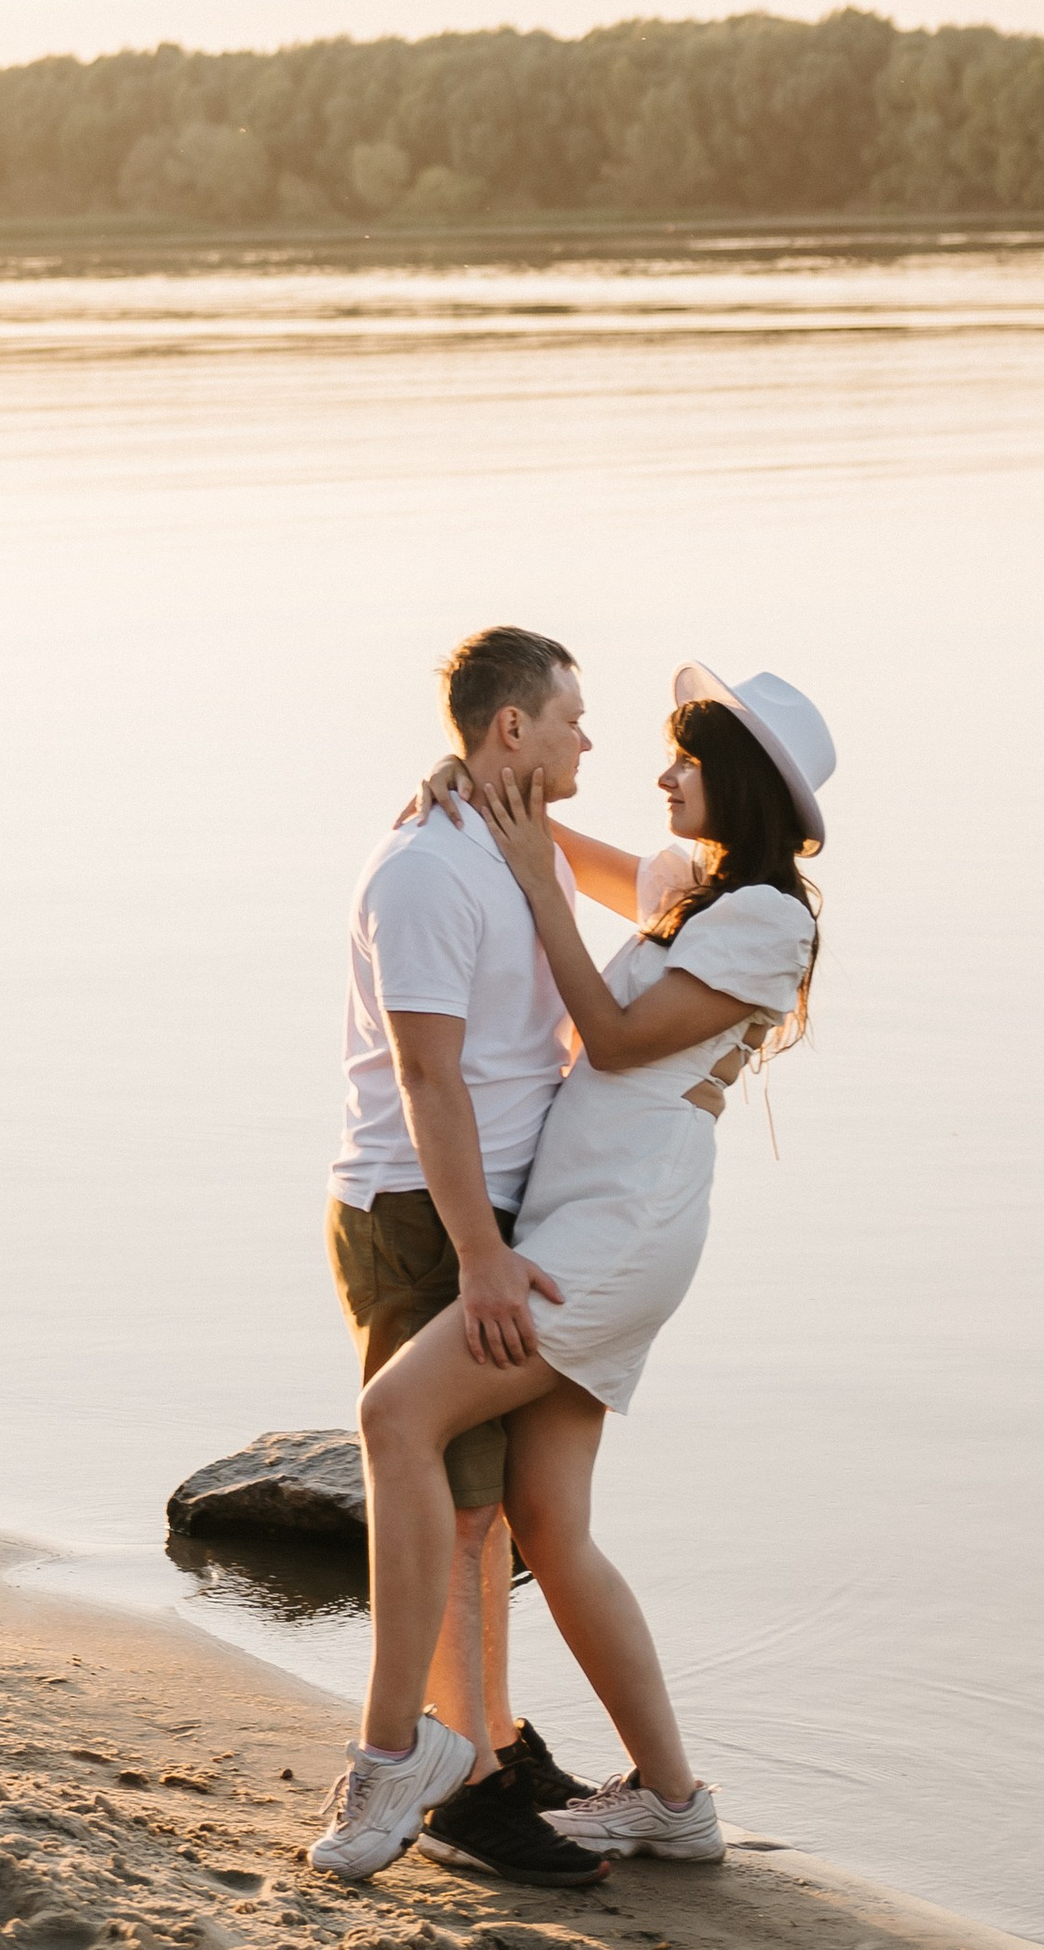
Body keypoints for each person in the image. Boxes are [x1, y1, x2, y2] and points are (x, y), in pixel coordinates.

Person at [307, 656, 835, 1882]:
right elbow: (533, 826)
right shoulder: (691, 890)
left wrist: (540, 882)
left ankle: (403, 1752)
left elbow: (605, 1029)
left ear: (739, 781)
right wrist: (471, 784)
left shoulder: (769, 916)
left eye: (683, 759)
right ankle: (674, 1800)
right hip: (577, 1218)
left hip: (618, 1231)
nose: (658, 772)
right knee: (551, 1519)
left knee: (395, 1415)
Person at [312, 623, 616, 1889]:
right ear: (512, 728)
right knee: (453, 1495)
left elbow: (666, 880)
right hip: (424, 1217)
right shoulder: (427, 873)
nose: (587, 737)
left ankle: (483, 1740)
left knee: (486, 1511)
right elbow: (428, 1078)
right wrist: (482, 1255)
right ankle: (462, 1789)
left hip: (490, 1217)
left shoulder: (508, 843)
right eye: (570, 716)